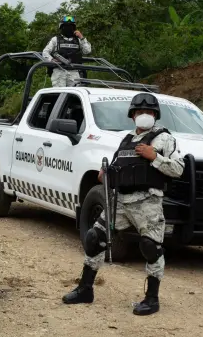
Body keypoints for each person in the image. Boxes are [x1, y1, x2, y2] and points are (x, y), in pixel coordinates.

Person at [61, 93, 184, 316]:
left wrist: (154, 156)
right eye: (139, 112)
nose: (143, 115)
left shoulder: (164, 139)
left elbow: (178, 169)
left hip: (147, 202)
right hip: (120, 202)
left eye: (148, 112)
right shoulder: (127, 138)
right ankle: (85, 289)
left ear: (155, 115)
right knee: (94, 238)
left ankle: (152, 299)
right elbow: (119, 165)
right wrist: (105, 173)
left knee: (150, 247)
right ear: (132, 115)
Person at [42, 16, 92, 87]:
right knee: (59, 95)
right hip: (59, 71)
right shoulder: (55, 39)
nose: (69, 28)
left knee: (73, 95)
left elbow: (87, 51)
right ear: (62, 27)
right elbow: (45, 52)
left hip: (74, 71)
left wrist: (82, 37)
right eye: (66, 26)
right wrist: (52, 60)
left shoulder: (78, 40)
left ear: (74, 28)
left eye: (71, 26)